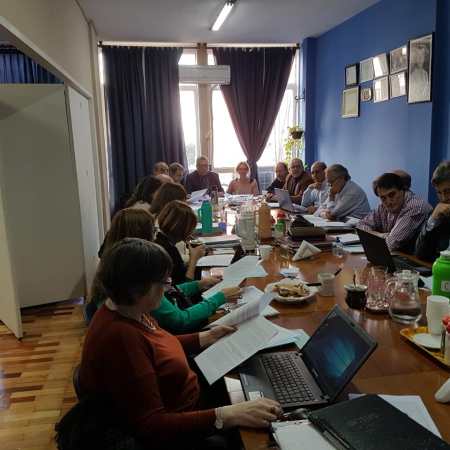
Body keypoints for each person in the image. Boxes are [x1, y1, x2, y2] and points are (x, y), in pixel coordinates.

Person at [79, 238, 281, 450]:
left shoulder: (129, 309)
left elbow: (155, 345)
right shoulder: (121, 339)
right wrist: (227, 415)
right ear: (138, 289)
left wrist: (206, 337)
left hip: (189, 399)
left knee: (255, 381)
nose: (167, 288)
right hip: (180, 429)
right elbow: (152, 425)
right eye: (163, 282)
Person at [89, 209, 240, 333]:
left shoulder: (116, 267)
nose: (156, 235)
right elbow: (181, 320)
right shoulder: (137, 279)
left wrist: (199, 284)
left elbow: (168, 290)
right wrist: (219, 298)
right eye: (153, 231)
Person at [358, 173, 431, 252]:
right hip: (397, 253)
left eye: (392, 195)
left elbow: (390, 244)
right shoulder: (383, 206)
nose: (388, 202)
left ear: (403, 190)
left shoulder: (415, 207)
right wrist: (379, 235)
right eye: (383, 198)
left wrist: (373, 235)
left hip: (415, 258)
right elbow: (361, 225)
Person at [155, 200, 206, 284]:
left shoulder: (160, 241)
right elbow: (185, 287)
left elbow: (179, 271)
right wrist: (194, 259)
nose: (191, 233)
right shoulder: (169, 251)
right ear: (182, 229)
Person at [415, 161, 450, 262]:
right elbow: (419, 254)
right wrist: (433, 220)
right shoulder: (440, 213)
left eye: (448, 191)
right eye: (439, 192)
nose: (444, 198)